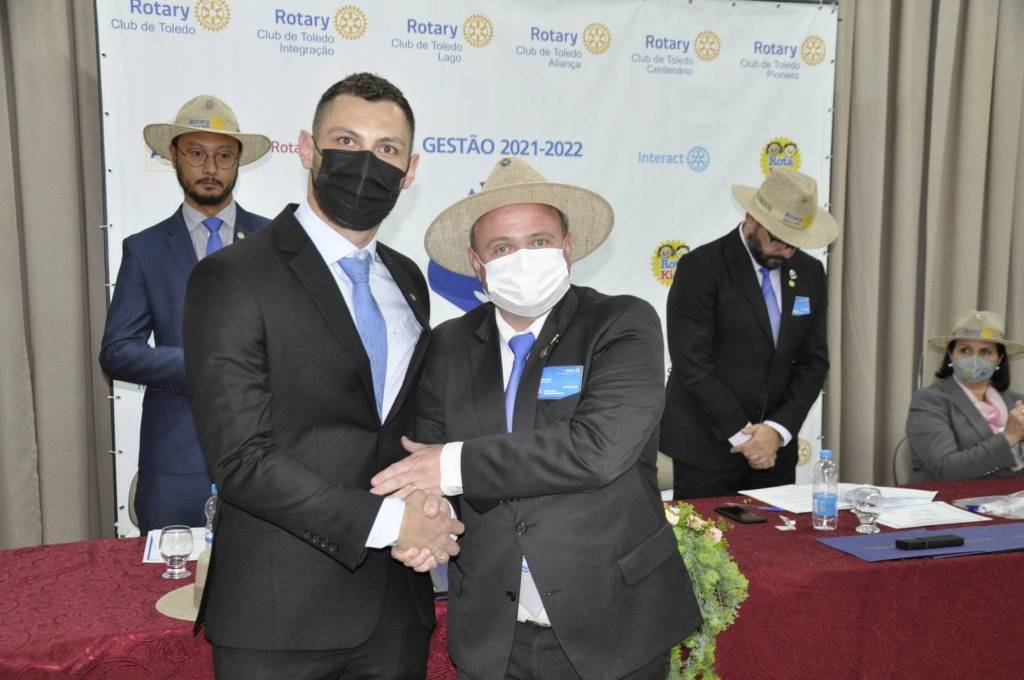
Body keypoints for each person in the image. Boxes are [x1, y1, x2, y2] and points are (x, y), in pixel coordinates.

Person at [371, 157, 701, 680]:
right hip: (492, 631)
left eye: (539, 241)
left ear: (567, 246)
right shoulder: (449, 345)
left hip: (612, 626)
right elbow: (424, 459)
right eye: (502, 248)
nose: (523, 258)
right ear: (477, 263)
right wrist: (425, 516)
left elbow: (596, 450)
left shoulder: (622, 323)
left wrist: (452, 467)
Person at [182, 73, 464, 679]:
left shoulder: (408, 279)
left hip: (395, 609)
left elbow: (402, 428)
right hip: (278, 616)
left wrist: (428, 502)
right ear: (308, 149)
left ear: (410, 170)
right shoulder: (233, 276)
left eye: (387, 149)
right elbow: (241, 460)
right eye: (347, 141)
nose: (366, 163)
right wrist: (392, 523)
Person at [99, 95, 272, 532]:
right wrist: (200, 365)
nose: (210, 167)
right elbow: (118, 351)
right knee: (163, 575)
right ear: (174, 156)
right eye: (196, 153)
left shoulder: (275, 243)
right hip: (175, 462)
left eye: (223, 155)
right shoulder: (145, 249)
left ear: (238, 162)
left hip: (268, 457)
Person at [661, 168, 839, 499]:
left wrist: (775, 430)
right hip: (706, 449)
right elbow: (692, 364)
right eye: (778, 239)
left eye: (794, 243)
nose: (786, 251)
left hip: (775, 451)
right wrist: (746, 437)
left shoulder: (810, 273)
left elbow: (813, 363)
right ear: (752, 219)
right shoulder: (702, 267)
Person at [906, 310, 1024, 481]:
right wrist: (1009, 437)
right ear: (951, 355)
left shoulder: (1017, 402)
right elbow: (945, 469)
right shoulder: (929, 401)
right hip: (947, 495)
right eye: (965, 350)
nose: (974, 360)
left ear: (999, 360)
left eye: (985, 352)